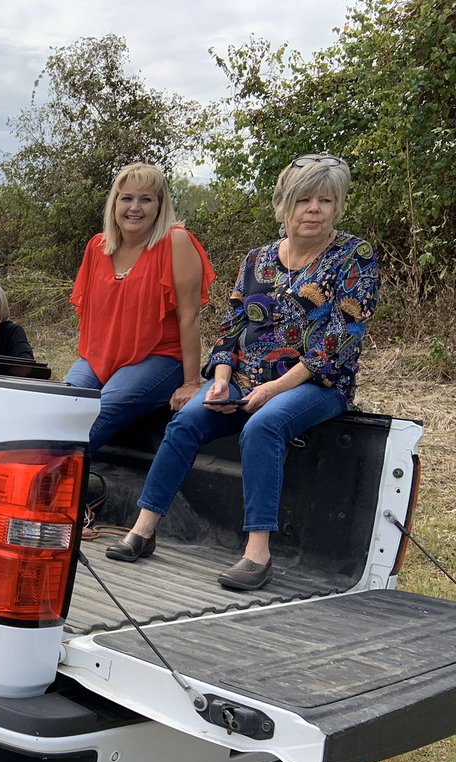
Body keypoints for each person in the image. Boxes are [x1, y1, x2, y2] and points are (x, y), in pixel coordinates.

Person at [105, 153, 379, 591]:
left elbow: (339, 341)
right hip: (244, 378)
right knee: (186, 421)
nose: (313, 209)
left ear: (337, 207)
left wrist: (273, 389)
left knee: (264, 427)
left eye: (325, 201)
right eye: (303, 200)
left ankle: (257, 554)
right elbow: (230, 328)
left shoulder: (354, 256)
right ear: (283, 205)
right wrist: (218, 379)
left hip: (317, 382)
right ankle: (144, 528)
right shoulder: (258, 259)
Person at [64, 163, 215, 454]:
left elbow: (189, 316)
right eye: (127, 198)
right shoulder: (97, 247)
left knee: (96, 416)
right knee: (60, 407)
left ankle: (46, 478)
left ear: (160, 205)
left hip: (158, 357)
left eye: (146, 199)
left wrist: (191, 382)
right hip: (101, 358)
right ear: (114, 203)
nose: (135, 208)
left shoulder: (175, 242)